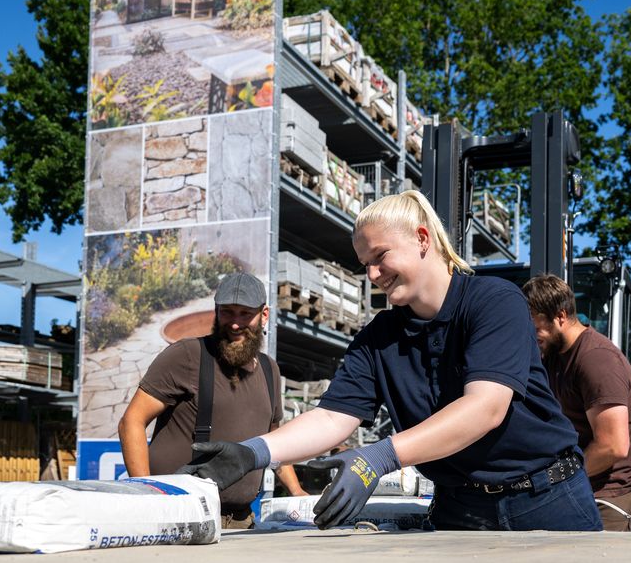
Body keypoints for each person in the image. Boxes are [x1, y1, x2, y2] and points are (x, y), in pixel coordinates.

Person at [180, 191, 602, 532]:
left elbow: (485, 408)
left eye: (380, 256)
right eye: (365, 264)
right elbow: (332, 419)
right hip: (460, 510)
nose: (373, 274)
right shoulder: (379, 337)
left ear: (422, 239)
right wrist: (252, 453)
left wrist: (379, 457)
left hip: (547, 499)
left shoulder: (494, 302)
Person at [118, 271, 306, 529]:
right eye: (227, 312)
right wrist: (148, 496)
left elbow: (275, 441)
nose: (235, 323)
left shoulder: (268, 369)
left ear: (264, 315)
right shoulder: (187, 355)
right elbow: (132, 421)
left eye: (245, 313)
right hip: (181, 517)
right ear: (216, 311)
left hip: (241, 521)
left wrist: (297, 493)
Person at [521, 274, 631, 531]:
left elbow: (612, 445)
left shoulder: (597, 359)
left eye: (536, 329)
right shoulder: (554, 357)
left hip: (614, 498)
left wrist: (554, 481)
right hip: (584, 489)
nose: (533, 337)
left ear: (560, 316)